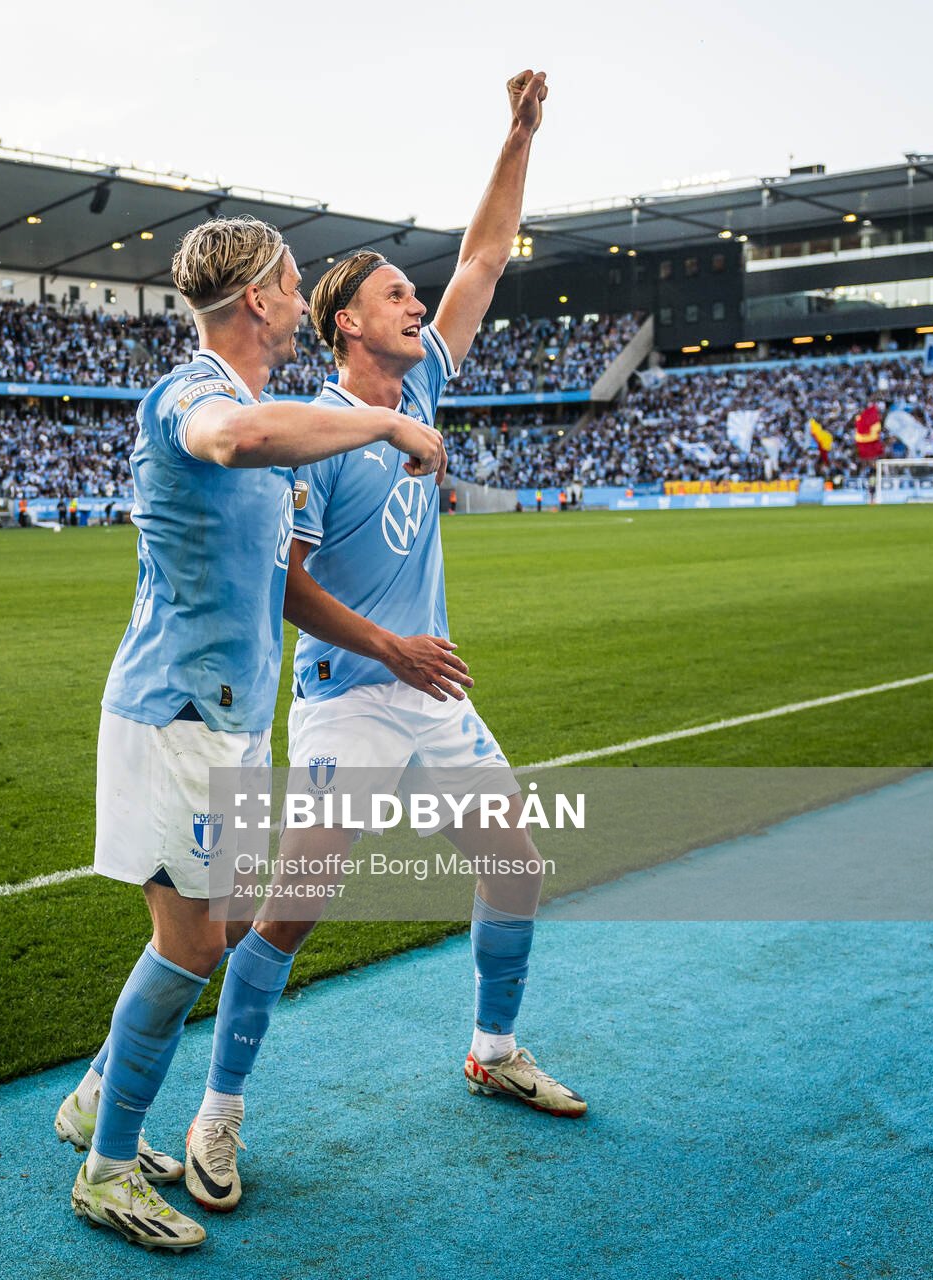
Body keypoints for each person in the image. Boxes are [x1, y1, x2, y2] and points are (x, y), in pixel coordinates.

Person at [183, 67, 578, 1220]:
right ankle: (217, 1111)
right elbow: (283, 582)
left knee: (516, 864)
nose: (421, 304)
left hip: (431, 691)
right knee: (293, 908)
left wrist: (518, 135)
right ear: (346, 322)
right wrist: (391, 648)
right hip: (349, 695)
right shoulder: (315, 433)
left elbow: (485, 258)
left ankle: (492, 1047)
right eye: (398, 294)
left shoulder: (425, 388)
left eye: (417, 292)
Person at [61, 215, 440, 1250]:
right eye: (293, 281)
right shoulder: (194, 391)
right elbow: (232, 440)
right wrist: (385, 425)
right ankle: (107, 1168)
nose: (302, 298)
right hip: (177, 714)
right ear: (262, 299)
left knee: (222, 928)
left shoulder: (262, 402)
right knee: (189, 942)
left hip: (230, 718)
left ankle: (98, 1100)